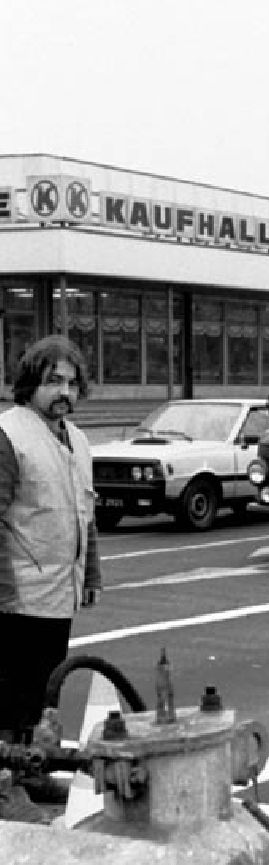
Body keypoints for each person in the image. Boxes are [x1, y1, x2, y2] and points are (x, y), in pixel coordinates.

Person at [0, 337, 101, 799]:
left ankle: (29, 770)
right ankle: (10, 775)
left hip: (59, 591)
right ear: (29, 385)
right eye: (53, 381)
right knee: (13, 691)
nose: (64, 391)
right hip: (18, 593)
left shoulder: (76, 440)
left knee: (42, 688)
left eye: (72, 383)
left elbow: (85, 512)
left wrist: (92, 574)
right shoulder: (10, 436)